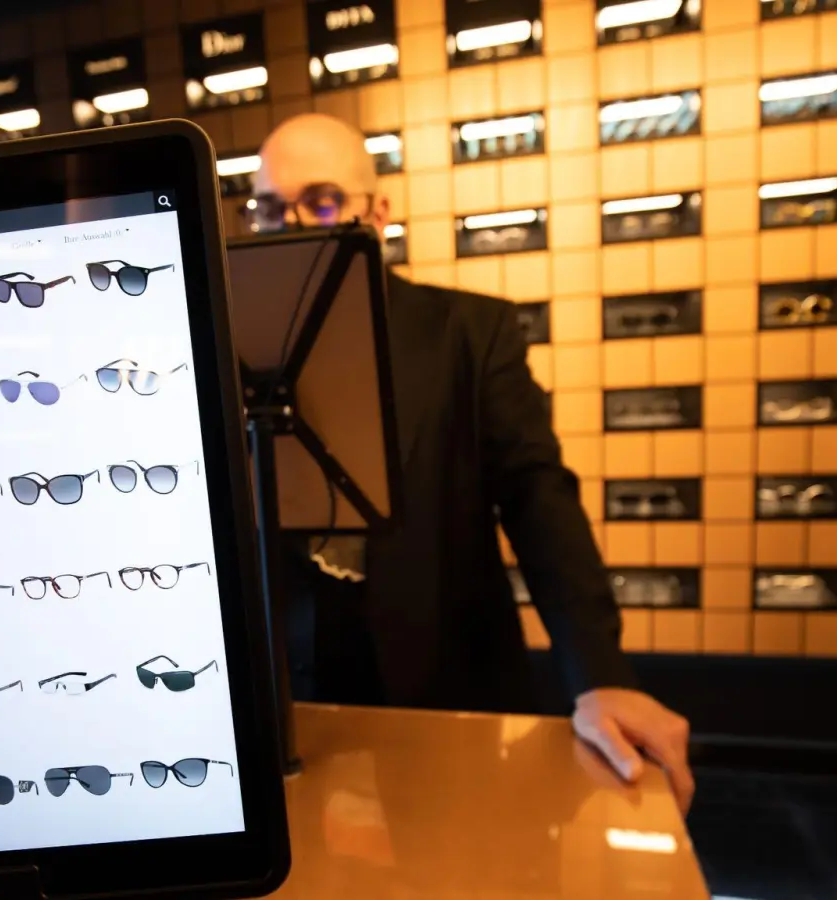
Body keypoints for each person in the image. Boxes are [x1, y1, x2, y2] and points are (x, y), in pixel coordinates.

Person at [248, 113, 695, 813]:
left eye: (323, 200)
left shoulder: (470, 330)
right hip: (286, 697)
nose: (294, 224)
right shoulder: (231, 345)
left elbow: (536, 495)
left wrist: (598, 673)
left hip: (445, 682)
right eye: (269, 208)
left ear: (379, 212)